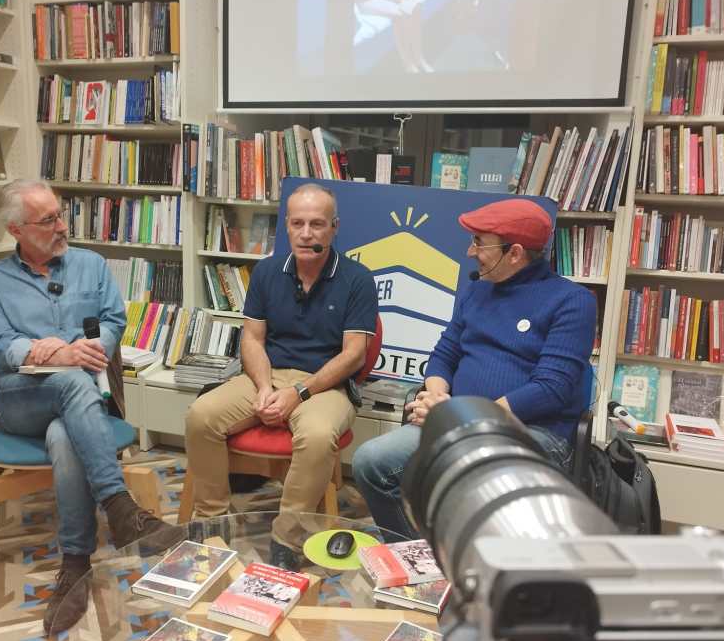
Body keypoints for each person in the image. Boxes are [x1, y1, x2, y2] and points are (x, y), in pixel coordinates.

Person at [0, 179, 184, 636]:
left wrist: (91, 348)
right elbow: (1, 345)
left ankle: (75, 564)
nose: (62, 226)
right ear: (16, 229)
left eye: (61, 214)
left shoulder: (91, 264)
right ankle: (119, 506)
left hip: (79, 397)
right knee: (70, 382)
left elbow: (113, 320)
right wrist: (50, 352)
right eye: (48, 220)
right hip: (19, 395)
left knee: (63, 435)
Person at [352, 197, 597, 540]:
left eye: (480, 243)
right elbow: (444, 354)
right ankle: (415, 553)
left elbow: (551, 388)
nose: (470, 251)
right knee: (370, 460)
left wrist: (463, 417)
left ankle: (466, 558)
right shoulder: (477, 291)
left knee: (466, 476)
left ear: (515, 253)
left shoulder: (573, 301)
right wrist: (436, 398)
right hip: (458, 423)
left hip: (532, 431)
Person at [185, 183, 379, 570]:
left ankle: (286, 539)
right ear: (286, 226)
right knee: (200, 416)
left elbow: (353, 354)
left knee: (319, 436)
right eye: (297, 223)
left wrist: (298, 393)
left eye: (317, 224)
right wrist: (262, 387)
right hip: (267, 375)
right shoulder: (267, 271)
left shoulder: (357, 279)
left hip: (324, 384)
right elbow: (252, 339)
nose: (306, 233)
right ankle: (212, 523)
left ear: (334, 227)